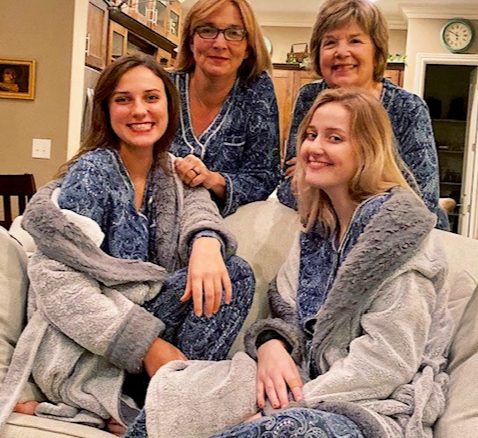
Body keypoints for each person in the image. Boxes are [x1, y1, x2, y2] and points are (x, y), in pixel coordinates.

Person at [125, 88, 452, 437]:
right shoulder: (316, 230)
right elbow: (284, 314)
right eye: (310, 135)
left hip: (368, 405)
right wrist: (271, 344)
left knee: (284, 429)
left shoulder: (400, 236)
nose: (314, 147)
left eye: (334, 138)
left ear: (367, 150)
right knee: (187, 393)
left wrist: (282, 407)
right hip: (300, 378)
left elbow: (387, 364)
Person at [0, 54, 254, 435]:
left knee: (235, 275)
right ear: (105, 109)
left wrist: (205, 242)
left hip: (148, 337)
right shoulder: (92, 174)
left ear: (169, 106)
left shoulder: (170, 172)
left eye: (151, 97)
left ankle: (162, 405)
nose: (139, 111)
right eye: (123, 99)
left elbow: (199, 206)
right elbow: (57, 281)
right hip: (91, 347)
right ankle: (162, 415)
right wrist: (145, 344)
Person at [277, 0, 449, 230]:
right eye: (330, 42)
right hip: (329, 228)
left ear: (376, 52)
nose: (341, 52)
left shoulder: (407, 107)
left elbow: (422, 200)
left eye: (355, 41)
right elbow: (291, 185)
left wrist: (332, 181)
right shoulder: (309, 98)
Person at [170, 0, 280, 217]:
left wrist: (212, 180)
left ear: (248, 47)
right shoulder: (163, 88)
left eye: (234, 33)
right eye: (207, 30)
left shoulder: (257, 91)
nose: (220, 43)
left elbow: (264, 178)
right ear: (191, 41)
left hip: (227, 225)